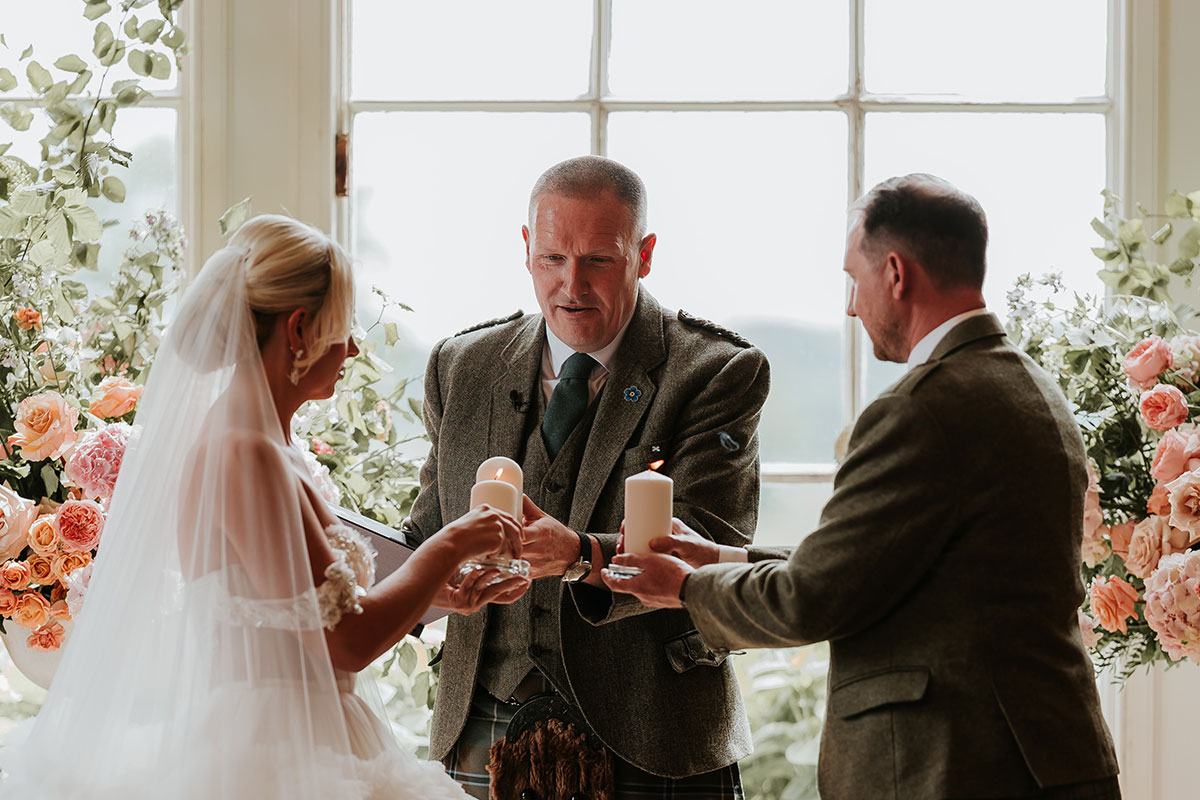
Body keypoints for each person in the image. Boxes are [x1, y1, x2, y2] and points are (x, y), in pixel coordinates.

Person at [606, 175, 1122, 800]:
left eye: (855, 279)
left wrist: (684, 587)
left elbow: (811, 598)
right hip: (1049, 753)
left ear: (897, 274)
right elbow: (888, 567)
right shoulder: (1031, 386)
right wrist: (725, 557)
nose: (851, 305)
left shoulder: (920, 409)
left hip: (957, 765)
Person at [0, 215, 529, 799]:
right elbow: (344, 640)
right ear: (299, 328)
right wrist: (451, 543)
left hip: (302, 733)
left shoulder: (265, 444)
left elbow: (281, 606)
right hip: (277, 757)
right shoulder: (246, 454)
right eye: (342, 326)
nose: (352, 347)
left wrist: (433, 591)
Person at [403, 156, 770, 798]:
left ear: (644, 254)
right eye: (552, 259)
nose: (571, 285)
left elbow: (710, 547)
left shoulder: (716, 372)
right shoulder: (461, 367)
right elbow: (426, 535)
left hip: (656, 729)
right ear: (526, 250)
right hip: (482, 722)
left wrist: (580, 555)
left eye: (599, 260)